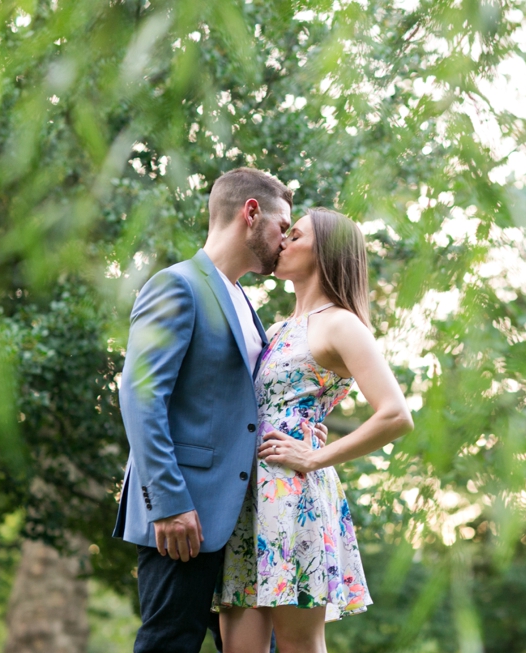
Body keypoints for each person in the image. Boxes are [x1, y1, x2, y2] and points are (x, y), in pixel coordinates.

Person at [113, 167, 327, 653]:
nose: (284, 239)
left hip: (245, 524)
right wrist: (168, 502)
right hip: (184, 515)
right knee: (171, 642)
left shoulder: (242, 302)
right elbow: (141, 396)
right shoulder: (177, 286)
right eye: (282, 225)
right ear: (251, 213)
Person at [215, 208, 414, 653]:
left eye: (295, 235)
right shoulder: (280, 326)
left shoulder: (340, 323)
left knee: (298, 645)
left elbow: (396, 414)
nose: (281, 242)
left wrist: (313, 456)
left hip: (293, 497)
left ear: (325, 250)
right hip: (245, 498)